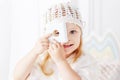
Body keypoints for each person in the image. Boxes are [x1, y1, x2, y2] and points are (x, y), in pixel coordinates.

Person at [14, 2, 99, 80]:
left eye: (72, 32)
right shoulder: (41, 58)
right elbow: (18, 77)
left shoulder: (86, 61)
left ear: (81, 33)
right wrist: (34, 52)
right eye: (57, 33)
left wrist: (60, 61)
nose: (66, 39)